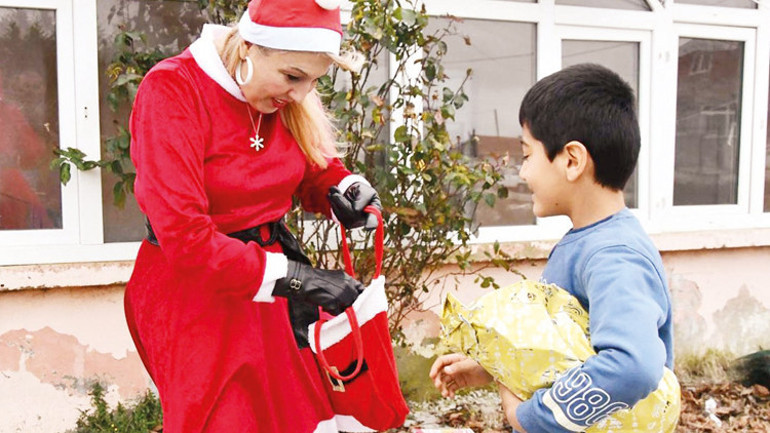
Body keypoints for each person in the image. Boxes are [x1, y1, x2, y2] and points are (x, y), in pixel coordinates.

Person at [124, 0, 382, 432]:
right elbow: (185, 237)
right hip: (194, 296)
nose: (300, 94)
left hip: (272, 295)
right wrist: (302, 279)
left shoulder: (282, 100)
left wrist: (342, 188)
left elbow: (310, 166)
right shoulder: (173, 89)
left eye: (313, 82)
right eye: (293, 77)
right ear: (248, 47)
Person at [430, 63, 677, 433]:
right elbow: (568, 351)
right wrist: (494, 367)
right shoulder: (590, 240)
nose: (523, 172)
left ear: (572, 160)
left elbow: (633, 364)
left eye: (527, 155)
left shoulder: (614, 255)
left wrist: (530, 418)